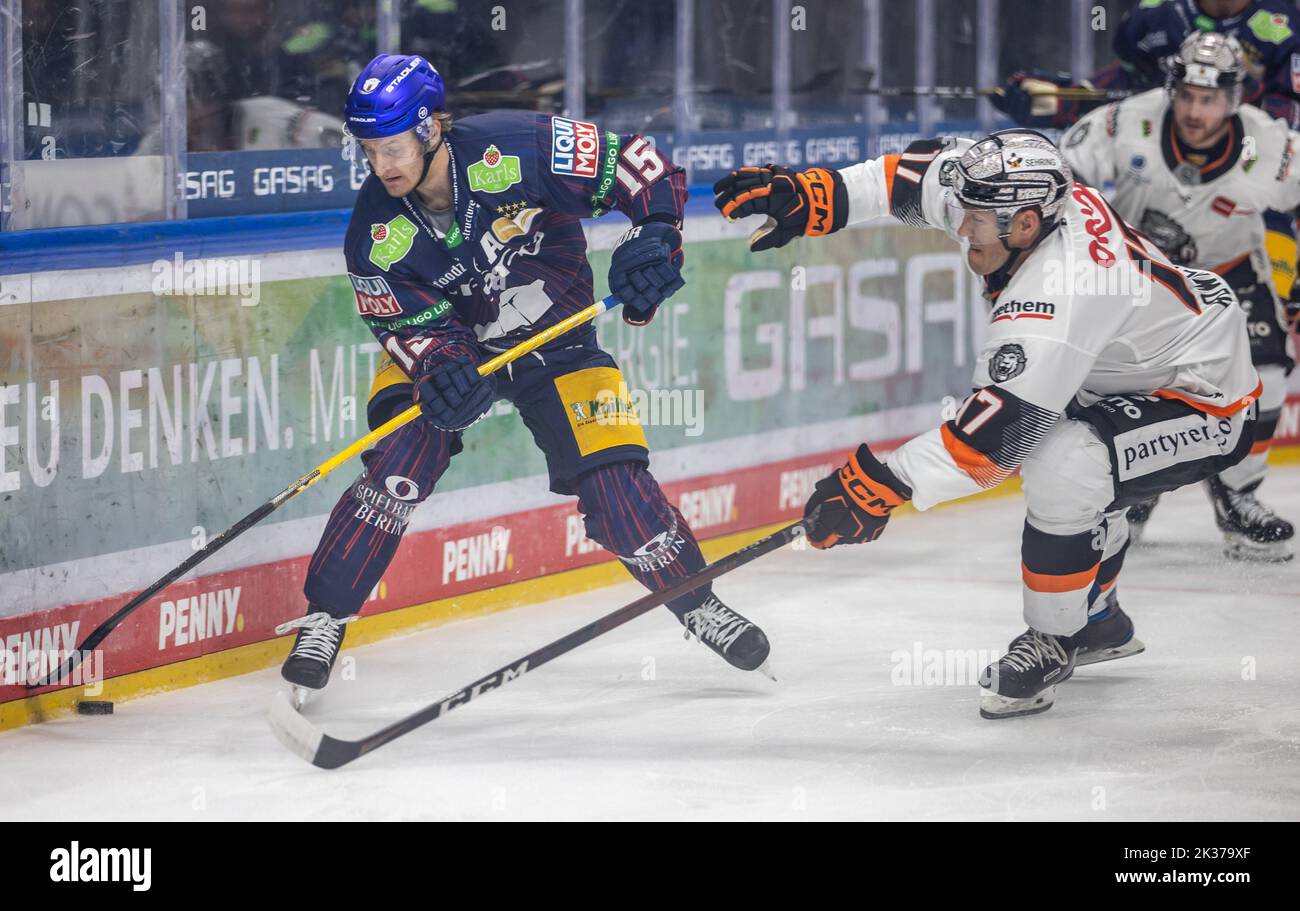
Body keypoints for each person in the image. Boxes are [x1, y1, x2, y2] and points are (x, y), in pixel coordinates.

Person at [712, 127, 1258, 718]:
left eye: (974, 219)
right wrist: (818, 196)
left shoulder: (1060, 292)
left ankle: (1056, 637)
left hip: (1204, 395)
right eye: (966, 211)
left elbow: (993, 444)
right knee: (1077, 444)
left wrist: (878, 486)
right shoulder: (1013, 199)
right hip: (1131, 361)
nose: (961, 228)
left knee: (1067, 462)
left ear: (1026, 225)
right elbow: (907, 177)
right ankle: (1098, 618)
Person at [278, 54, 770, 702]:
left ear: (431, 128)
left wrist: (656, 231)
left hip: (560, 343)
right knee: (401, 460)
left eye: (393, 146)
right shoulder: (374, 234)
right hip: (457, 352)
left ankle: (695, 599)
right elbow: (407, 329)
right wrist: (442, 369)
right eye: (369, 151)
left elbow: (636, 164)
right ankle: (325, 614)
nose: (382, 165)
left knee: (619, 494)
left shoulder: (518, 147)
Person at [1060, 32, 1298, 560]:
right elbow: (1065, 174)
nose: (1194, 111)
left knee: (1270, 380)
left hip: (1233, 277)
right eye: (1187, 95)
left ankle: (1239, 497)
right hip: (1149, 280)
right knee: (1129, 383)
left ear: (1233, 99)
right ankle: (1134, 495)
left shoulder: (1272, 145)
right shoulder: (1128, 122)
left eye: (1209, 99)